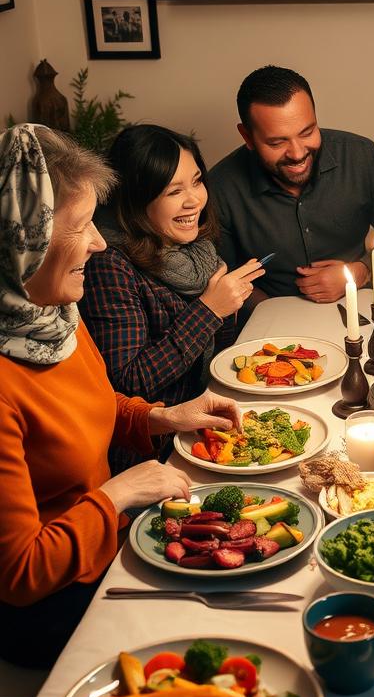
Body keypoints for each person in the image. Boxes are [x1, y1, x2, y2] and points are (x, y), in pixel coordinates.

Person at [0, 125, 243, 668]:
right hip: (56, 603)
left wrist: (160, 416)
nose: (100, 242)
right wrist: (117, 494)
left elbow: (96, 401)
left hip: (113, 544)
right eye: (82, 226)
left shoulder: (51, 317)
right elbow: (19, 575)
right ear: (25, 239)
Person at [80, 125, 265, 471]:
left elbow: (214, 359)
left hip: (201, 426)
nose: (194, 199)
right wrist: (209, 310)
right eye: (173, 191)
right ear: (137, 200)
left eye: (197, 181)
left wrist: (228, 308)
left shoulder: (196, 250)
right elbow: (127, 382)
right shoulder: (108, 263)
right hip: (149, 456)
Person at [208, 65, 374, 303]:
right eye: (276, 142)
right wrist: (271, 318)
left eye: (307, 132)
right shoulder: (219, 187)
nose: (297, 153)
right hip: (271, 316)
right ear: (247, 137)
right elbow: (223, 278)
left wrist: (361, 271)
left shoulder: (360, 155)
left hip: (362, 304)